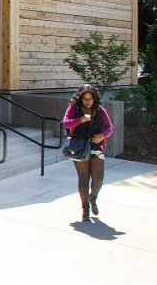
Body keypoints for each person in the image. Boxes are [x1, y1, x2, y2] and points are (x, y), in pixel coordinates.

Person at [62, 83, 114, 221]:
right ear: (80, 98)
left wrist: (103, 135)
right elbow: (66, 122)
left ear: (94, 99)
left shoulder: (100, 110)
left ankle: (93, 198)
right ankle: (85, 208)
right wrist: (80, 120)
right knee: (83, 178)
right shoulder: (74, 108)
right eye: (85, 99)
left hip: (96, 147)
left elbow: (109, 127)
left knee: (98, 179)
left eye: (90, 99)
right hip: (79, 147)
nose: (88, 101)